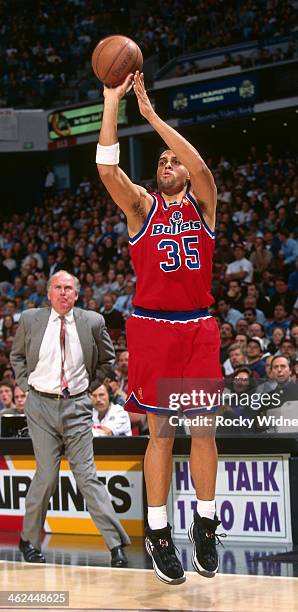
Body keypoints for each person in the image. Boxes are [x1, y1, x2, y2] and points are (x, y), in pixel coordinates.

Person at [97, 71, 222, 585]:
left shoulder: (205, 200)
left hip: (198, 325)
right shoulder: (141, 207)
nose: (167, 164)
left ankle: (207, 524)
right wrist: (112, 102)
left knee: (204, 429)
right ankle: (157, 530)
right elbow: (107, 169)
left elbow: (199, 164)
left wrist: (150, 115)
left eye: (174, 162)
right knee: (162, 434)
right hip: (152, 326)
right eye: (161, 161)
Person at [10, 270, 130, 567]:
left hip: (77, 406)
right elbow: (17, 357)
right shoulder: (29, 319)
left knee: (87, 477)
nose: (63, 293)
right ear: (49, 293)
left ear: (77, 295)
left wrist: (87, 388)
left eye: (69, 289)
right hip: (40, 405)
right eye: (58, 288)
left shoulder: (92, 321)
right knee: (47, 476)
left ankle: (116, 545)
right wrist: (27, 387)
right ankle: (29, 539)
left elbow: (107, 360)